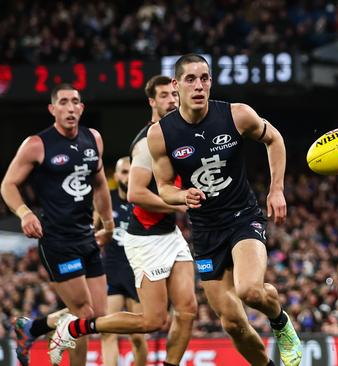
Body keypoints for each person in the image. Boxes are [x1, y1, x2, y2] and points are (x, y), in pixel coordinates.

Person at [147, 54, 301, 366]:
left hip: (242, 217)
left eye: (205, 78)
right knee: (231, 322)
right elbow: (163, 187)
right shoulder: (161, 134)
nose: (199, 85)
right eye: (190, 79)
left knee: (249, 291)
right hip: (205, 229)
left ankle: (281, 323)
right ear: (176, 86)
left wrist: (276, 188)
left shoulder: (236, 115)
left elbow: (274, 139)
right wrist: (181, 196)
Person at [48, 75, 197, 366]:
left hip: (171, 234)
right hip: (146, 238)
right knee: (152, 321)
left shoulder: (181, 133)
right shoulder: (145, 142)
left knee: (188, 309)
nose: (171, 100)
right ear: (152, 102)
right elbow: (135, 194)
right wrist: (178, 202)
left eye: (174, 95)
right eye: (164, 95)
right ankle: (74, 326)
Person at [0, 84, 111, 366]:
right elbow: (8, 184)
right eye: (63, 102)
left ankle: (33, 328)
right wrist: (25, 213)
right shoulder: (37, 144)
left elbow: (99, 184)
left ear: (82, 108)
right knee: (83, 315)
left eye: (75, 102)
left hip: (86, 235)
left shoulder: (93, 139)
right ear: (53, 109)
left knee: (98, 315)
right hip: (57, 240)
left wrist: (108, 223)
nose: (70, 107)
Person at [101, 156, 147, 366]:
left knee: (138, 334)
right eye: (124, 172)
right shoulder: (105, 201)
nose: (128, 177)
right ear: (116, 175)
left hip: (136, 271)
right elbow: (93, 232)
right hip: (111, 270)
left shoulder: (143, 199)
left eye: (131, 172)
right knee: (107, 332)